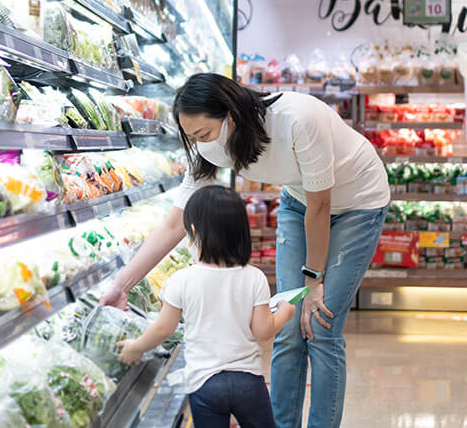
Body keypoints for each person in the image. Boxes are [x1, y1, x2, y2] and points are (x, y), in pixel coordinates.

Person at [102, 73, 389, 428]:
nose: (200, 144)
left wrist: (314, 282)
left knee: (320, 325)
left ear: (231, 114)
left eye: (203, 134)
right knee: (287, 331)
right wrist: (122, 284)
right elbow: (177, 223)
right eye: (191, 137)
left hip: (358, 203)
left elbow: (322, 205)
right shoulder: (207, 145)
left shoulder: (298, 118)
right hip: (299, 200)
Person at [117, 186, 295, 428]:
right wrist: (285, 311)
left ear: (192, 232)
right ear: (242, 233)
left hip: (204, 383)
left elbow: (162, 329)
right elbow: (263, 331)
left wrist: (136, 347)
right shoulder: (254, 277)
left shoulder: (181, 279)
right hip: (248, 382)